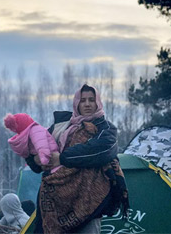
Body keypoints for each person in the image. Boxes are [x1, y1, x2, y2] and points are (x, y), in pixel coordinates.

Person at [26, 84, 128, 234]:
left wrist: (62, 158)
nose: (87, 104)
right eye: (83, 100)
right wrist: (36, 159)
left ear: (97, 102)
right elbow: (36, 148)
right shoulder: (62, 126)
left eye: (91, 100)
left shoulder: (105, 129)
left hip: (88, 202)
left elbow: (101, 150)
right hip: (56, 203)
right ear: (76, 103)